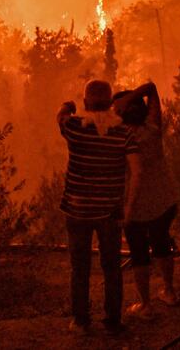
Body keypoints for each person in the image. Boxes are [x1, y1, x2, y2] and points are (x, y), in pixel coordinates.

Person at [57, 79, 141, 336]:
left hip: (77, 209)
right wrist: (128, 207)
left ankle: (81, 321)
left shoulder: (74, 128)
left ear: (86, 103)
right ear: (111, 103)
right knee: (112, 266)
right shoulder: (124, 134)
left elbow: (60, 118)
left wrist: (67, 106)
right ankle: (113, 321)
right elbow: (136, 171)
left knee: (79, 268)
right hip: (110, 211)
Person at [113, 81, 180, 320]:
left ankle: (145, 304)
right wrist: (132, 96)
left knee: (139, 253)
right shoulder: (153, 129)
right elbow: (152, 86)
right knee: (162, 245)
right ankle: (169, 292)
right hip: (163, 199)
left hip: (135, 206)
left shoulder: (118, 137)